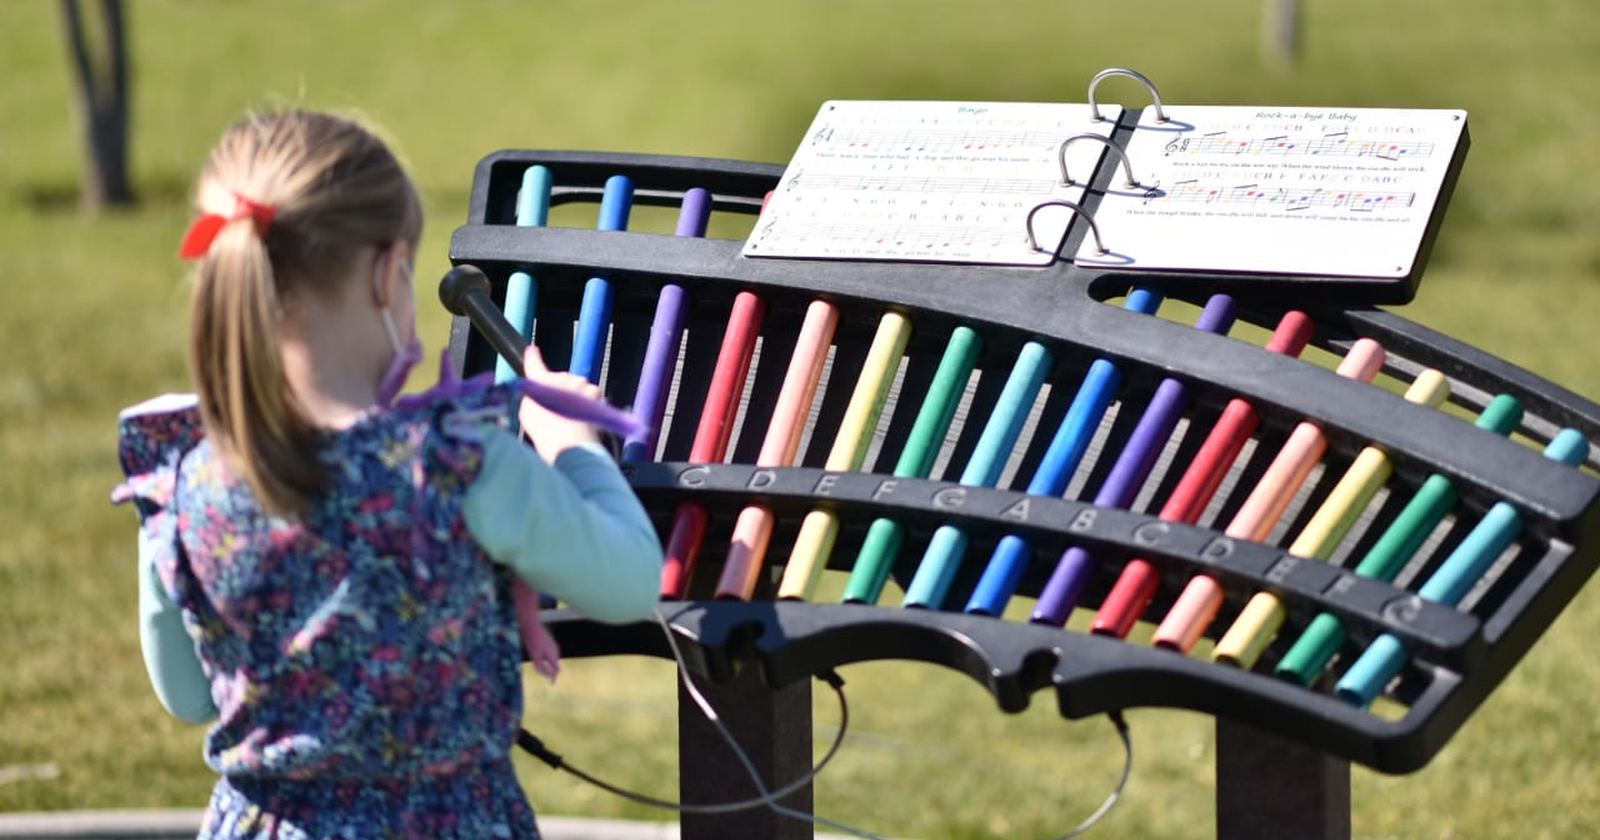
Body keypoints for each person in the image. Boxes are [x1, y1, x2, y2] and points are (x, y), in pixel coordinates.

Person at [113, 110, 663, 839]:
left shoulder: (182, 480)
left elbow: (188, 696)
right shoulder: (458, 464)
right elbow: (628, 582)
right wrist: (571, 443)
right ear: (384, 273)